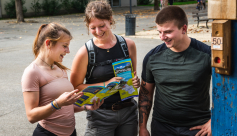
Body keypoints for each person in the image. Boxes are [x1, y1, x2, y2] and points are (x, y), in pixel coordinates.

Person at [139, 6, 211, 136]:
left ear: (184, 28)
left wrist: (214, 121)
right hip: (162, 128)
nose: (162, 37)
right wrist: (142, 127)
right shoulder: (152, 58)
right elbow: (145, 94)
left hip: (197, 129)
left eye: (167, 32)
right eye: (159, 32)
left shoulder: (207, 55)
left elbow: (228, 89)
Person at [70, 1, 140, 136]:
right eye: (92, 28)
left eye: (102, 26)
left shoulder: (128, 45)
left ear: (110, 20)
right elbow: (75, 88)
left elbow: (131, 79)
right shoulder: (85, 52)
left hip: (128, 113)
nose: (98, 32)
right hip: (100, 116)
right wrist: (106, 85)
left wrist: (135, 81)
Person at [21, 22, 103, 136]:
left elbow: (65, 106)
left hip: (70, 132)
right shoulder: (32, 72)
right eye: (65, 46)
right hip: (48, 133)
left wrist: (85, 106)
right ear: (48, 43)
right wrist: (57, 103)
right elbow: (31, 116)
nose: (68, 51)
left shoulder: (60, 69)